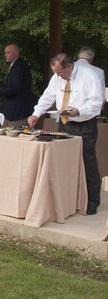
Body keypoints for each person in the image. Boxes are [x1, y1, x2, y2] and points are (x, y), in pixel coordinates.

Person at [27, 52, 103, 215]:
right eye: (56, 73)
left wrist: (79, 111)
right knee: (65, 161)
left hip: (84, 124)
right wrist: (36, 113)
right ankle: (69, 199)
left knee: (86, 161)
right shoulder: (57, 77)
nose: (58, 76)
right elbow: (48, 96)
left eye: (60, 73)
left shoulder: (89, 76)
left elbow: (96, 103)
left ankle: (92, 201)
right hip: (64, 123)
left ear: (69, 66)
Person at [0, 43, 34, 127]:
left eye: (8, 53)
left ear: (16, 53)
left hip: (17, 114)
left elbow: (14, 88)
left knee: (15, 136)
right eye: (5, 53)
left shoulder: (19, 66)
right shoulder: (16, 65)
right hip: (12, 112)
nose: (5, 55)